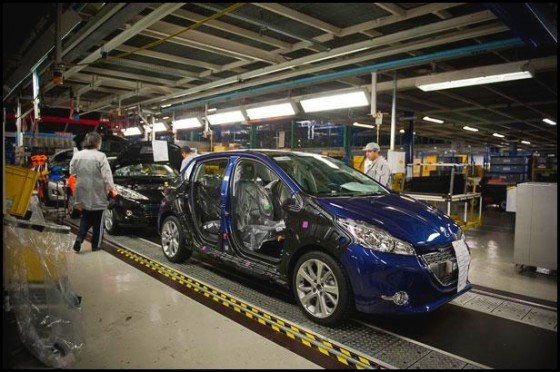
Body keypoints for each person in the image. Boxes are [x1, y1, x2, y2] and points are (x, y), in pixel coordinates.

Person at [69, 132, 118, 253]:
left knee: (86, 216)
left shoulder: (78, 155)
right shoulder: (101, 156)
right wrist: (111, 189)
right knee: (98, 220)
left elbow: (72, 172)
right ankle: (96, 245)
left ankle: (79, 238)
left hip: (82, 190)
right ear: (97, 143)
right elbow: (107, 176)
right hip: (97, 191)